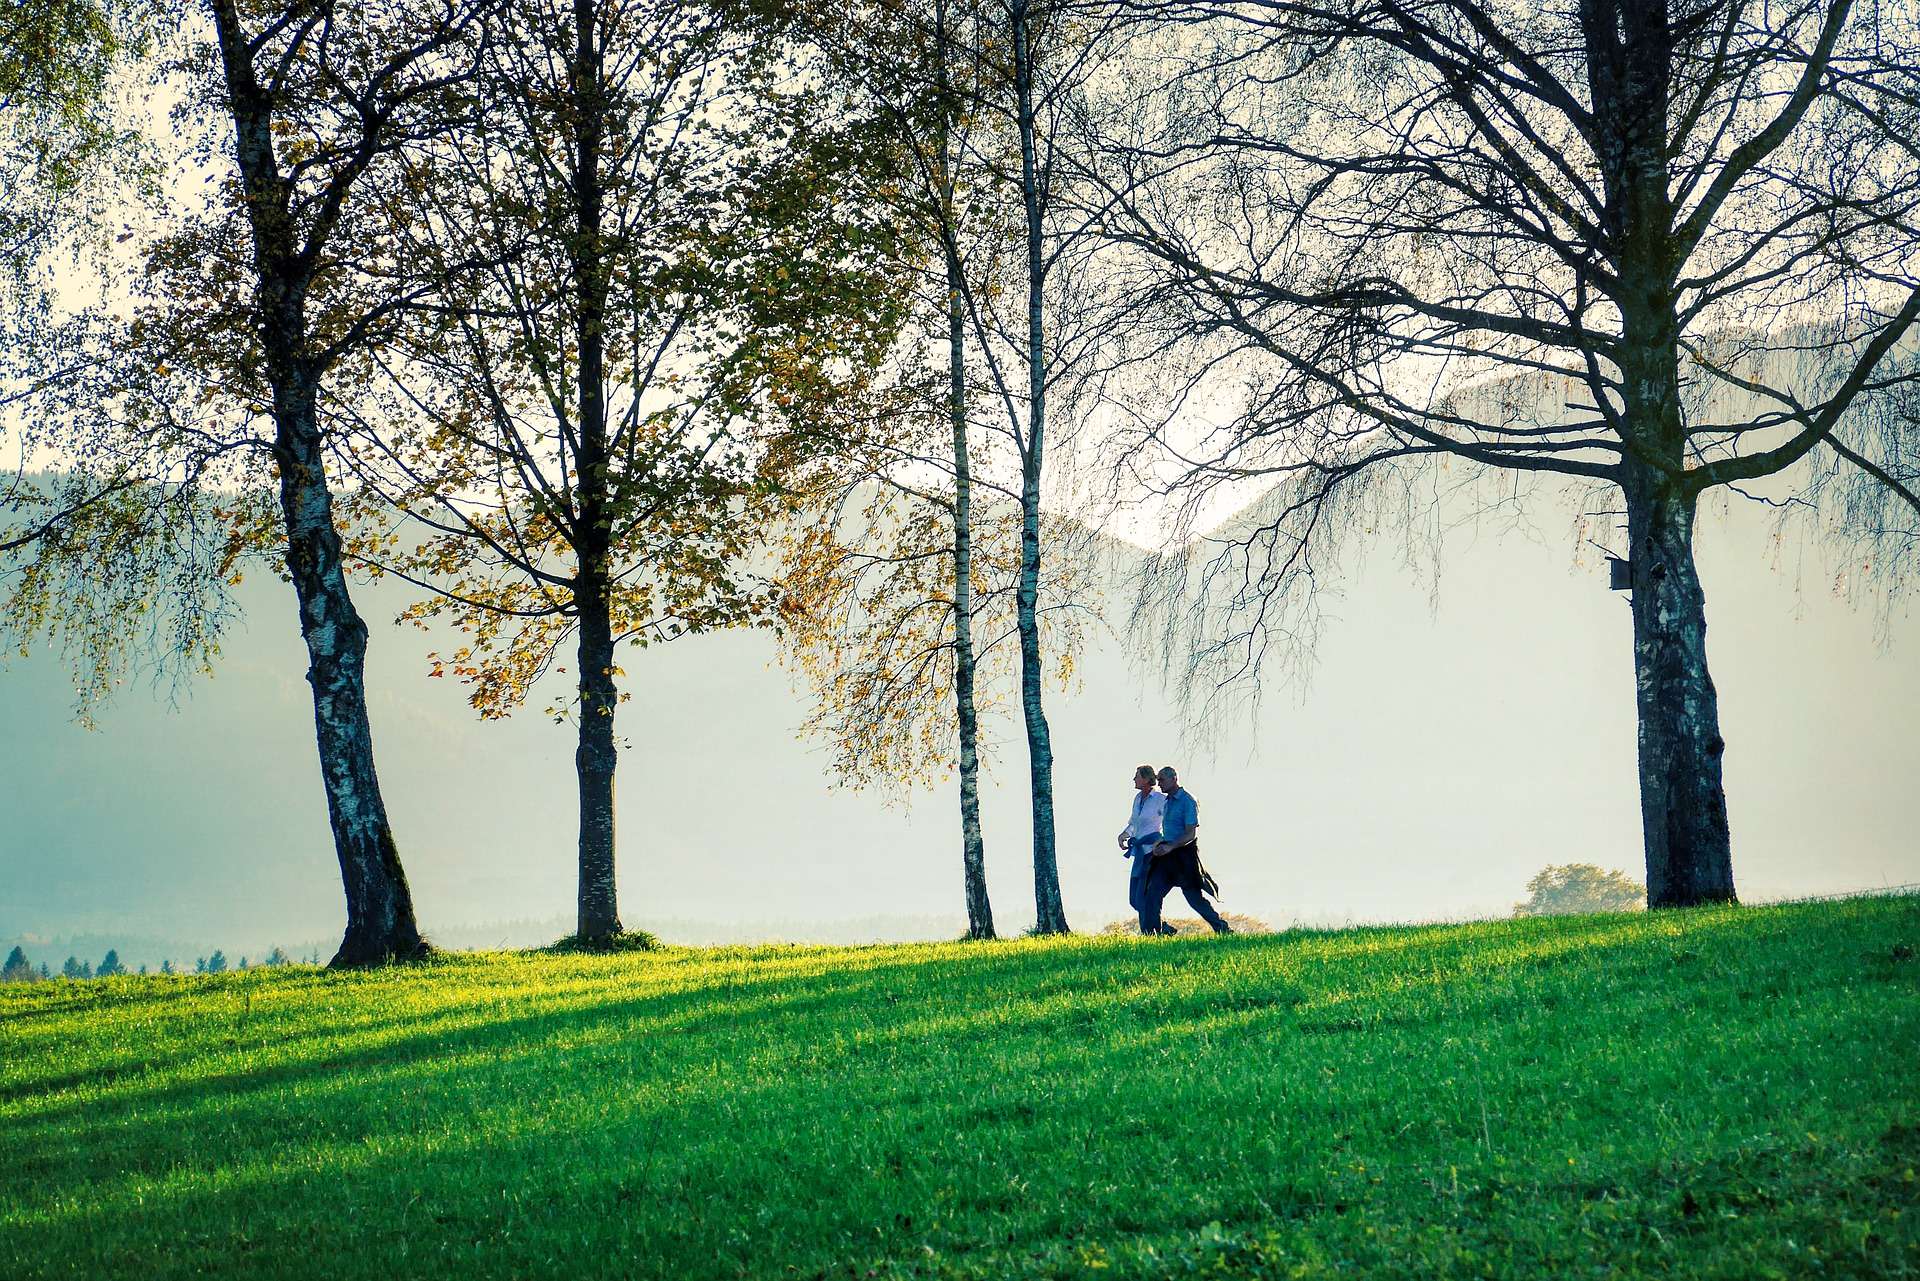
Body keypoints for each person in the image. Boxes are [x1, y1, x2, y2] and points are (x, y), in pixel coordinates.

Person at [1140, 765, 1231, 935]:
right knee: (1152, 893)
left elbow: (1190, 833)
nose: (1158, 784)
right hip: (1165, 858)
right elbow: (1168, 830)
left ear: (1174, 779)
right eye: (1158, 780)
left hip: (1184, 857)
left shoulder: (1187, 801)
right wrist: (1159, 843)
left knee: (1194, 899)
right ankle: (1154, 933)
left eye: (1162, 780)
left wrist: (1171, 846)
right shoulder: (1166, 801)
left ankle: (1222, 929)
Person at [1117, 765, 1167, 931]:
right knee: (1135, 899)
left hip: (1152, 853)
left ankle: (1151, 932)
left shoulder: (1160, 799)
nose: (1134, 779)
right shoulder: (1138, 798)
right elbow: (1134, 823)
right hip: (1139, 853)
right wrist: (1123, 834)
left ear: (1146, 779)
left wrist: (1163, 842)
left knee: (1144, 897)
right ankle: (1160, 926)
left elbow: (1169, 821)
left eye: (1137, 776)